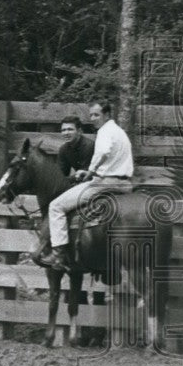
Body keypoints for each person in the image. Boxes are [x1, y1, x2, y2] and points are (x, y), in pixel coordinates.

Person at [39, 101, 134, 271]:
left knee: (55, 206)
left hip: (104, 183)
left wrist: (90, 172)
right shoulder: (119, 132)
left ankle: (58, 254)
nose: (93, 119)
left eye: (96, 115)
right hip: (125, 183)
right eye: (91, 115)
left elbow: (103, 152)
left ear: (107, 115)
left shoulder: (104, 132)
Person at [30, 115, 95, 266]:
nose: (66, 132)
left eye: (70, 129)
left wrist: (76, 177)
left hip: (92, 184)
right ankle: (58, 249)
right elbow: (62, 174)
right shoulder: (64, 149)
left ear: (79, 131)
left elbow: (89, 171)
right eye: (63, 130)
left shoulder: (89, 146)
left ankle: (61, 251)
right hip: (78, 183)